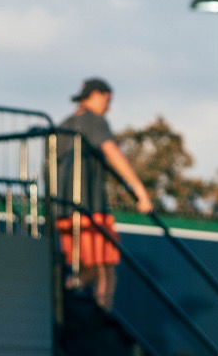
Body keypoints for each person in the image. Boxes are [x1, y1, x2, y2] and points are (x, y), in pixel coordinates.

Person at [55, 77, 154, 310]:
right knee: (104, 268)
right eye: (107, 100)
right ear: (95, 95)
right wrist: (140, 191)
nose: (108, 106)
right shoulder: (94, 122)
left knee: (86, 267)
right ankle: (101, 314)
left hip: (63, 211)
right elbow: (113, 153)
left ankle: (65, 298)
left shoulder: (62, 126)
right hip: (90, 209)